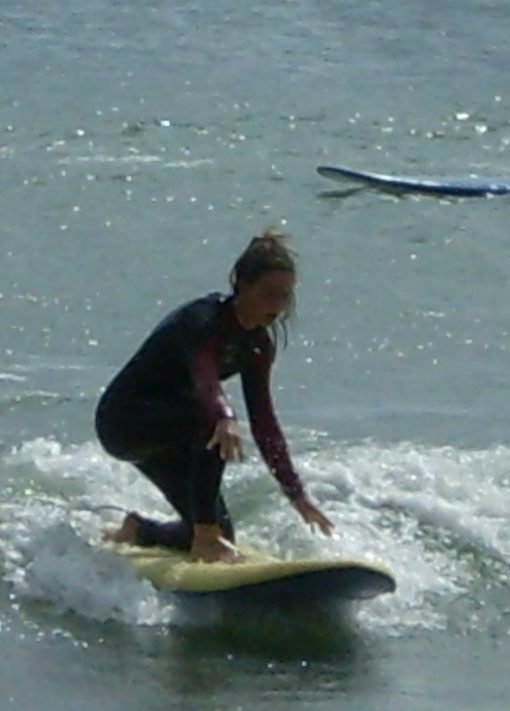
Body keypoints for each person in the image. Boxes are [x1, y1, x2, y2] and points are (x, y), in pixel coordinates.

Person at [96, 230, 336, 561]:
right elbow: (205, 377)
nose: (277, 306)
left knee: (223, 530)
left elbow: (264, 422)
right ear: (243, 286)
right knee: (209, 423)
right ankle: (206, 538)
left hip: (176, 431)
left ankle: (140, 531)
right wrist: (224, 417)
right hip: (125, 420)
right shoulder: (201, 321)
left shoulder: (257, 346)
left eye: (285, 296)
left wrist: (297, 495)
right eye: (269, 294)